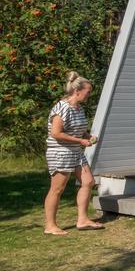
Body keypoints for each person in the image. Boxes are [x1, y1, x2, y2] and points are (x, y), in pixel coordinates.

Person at [43, 71, 103, 235]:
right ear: (77, 91)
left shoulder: (78, 109)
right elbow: (56, 133)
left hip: (76, 152)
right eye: (88, 91)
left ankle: (82, 220)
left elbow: (78, 130)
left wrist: (87, 136)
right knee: (57, 189)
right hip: (60, 152)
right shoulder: (62, 107)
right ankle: (50, 226)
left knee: (88, 182)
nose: (89, 94)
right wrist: (80, 141)